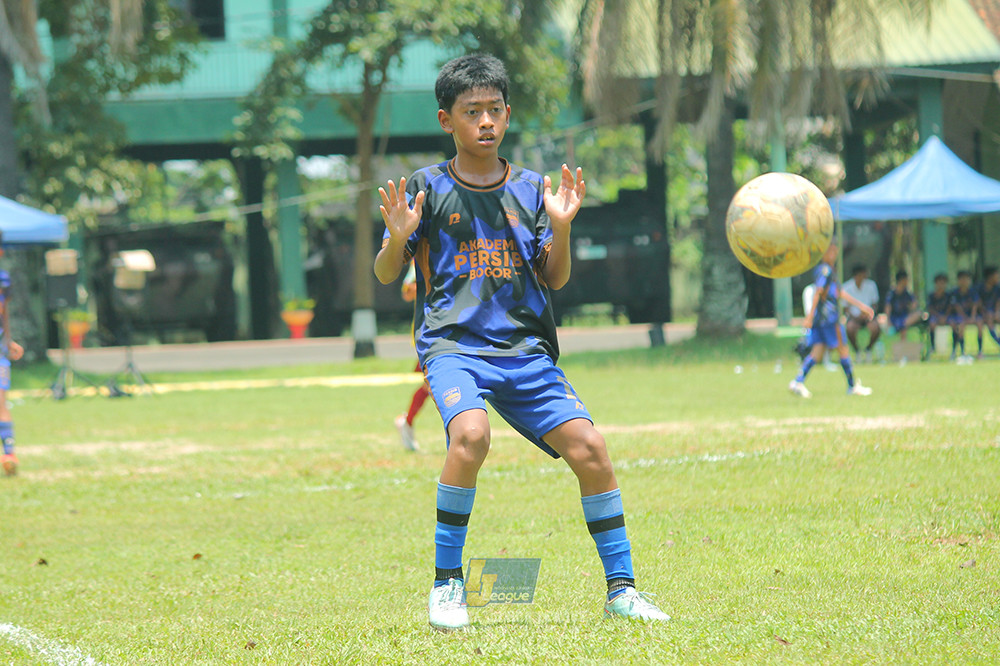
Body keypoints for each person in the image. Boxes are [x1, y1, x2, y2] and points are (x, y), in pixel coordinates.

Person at [373, 54, 668, 630]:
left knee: (592, 450)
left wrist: (561, 226)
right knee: (470, 436)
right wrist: (396, 239)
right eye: (471, 111)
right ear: (446, 120)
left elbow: (555, 277)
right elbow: (386, 275)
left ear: (507, 115)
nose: (485, 121)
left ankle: (622, 591)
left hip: (524, 351)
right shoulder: (426, 188)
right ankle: (447, 585)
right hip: (453, 346)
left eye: (494, 110)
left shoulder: (534, 190)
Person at [789, 243, 874, 398]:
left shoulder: (826, 270)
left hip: (820, 319)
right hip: (829, 318)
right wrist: (809, 317)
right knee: (843, 349)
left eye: (835, 250)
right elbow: (819, 292)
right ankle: (852, 385)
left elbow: (838, 293)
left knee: (817, 352)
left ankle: (798, 382)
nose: (834, 254)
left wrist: (860, 306)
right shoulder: (826, 271)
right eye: (831, 251)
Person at [395, 262, 429, 451]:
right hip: (428, 330)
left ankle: (406, 422)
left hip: (454, 328)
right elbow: (407, 292)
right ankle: (407, 422)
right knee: (432, 386)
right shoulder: (419, 259)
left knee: (432, 386)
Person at [0, 234, 25, 476]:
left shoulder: (3, 279)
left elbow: (3, 312)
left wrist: (9, 340)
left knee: (1, 402)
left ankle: (9, 454)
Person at [842, 264, 881, 363]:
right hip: (854, 317)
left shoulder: (871, 285)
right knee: (850, 328)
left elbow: (874, 304)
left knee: (876, 328)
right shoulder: (846, 287)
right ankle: (857, 351)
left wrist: (868, 314)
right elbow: (845, 308)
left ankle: (868, 349)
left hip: (868, 317)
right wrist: (856, 316)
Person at [949, 270, 981, 360]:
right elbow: (956, 307)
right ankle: (961, 351)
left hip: (971, 316)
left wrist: (972, 317)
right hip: (959, 317)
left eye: (966, 279)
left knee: (980, 322)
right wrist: (965, 318)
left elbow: (975, 305)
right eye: (962, 279)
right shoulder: (955, 292)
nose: (964, 281)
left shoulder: (973, 291)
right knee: (960, 325)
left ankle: (980, 351)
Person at [884, 270, 923, 340]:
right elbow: (888, 307)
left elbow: (913, 306)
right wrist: (888, 321)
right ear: (901, 280)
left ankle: (902, 328)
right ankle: (900, 328)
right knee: (902, 325)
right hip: (894, 318)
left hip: (905, 318)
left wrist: (913, 306)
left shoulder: (907, 293)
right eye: (906, 280)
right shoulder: (892, 293)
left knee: (918, 313)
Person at [925, 273, 951, 357]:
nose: (941, 285)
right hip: (936, 316)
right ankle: (933, 346)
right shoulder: (931, 296)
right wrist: (939, 317)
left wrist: (945, 317)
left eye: (943, 283)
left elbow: (951, 307)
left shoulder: (948, 295)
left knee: (955, 323)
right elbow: (930, 309)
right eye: (939, 283)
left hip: (946, 316)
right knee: (932, 323)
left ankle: (955, 348)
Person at [978, 266, 1000, 352]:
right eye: (996, 275)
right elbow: (978, 303)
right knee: (989, 317)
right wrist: (984, 313)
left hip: (995, 313)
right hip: (983, 314)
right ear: (990, 277)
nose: (998, 277)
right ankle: (997, 340)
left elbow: (998, 301)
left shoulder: (997, 288)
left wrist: (997, 312)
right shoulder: (980, 288)